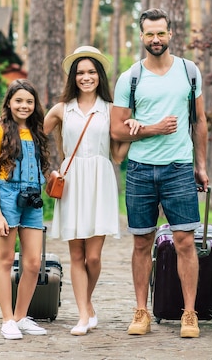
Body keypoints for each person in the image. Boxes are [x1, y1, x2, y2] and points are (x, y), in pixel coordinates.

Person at [110, 8, 209, 338]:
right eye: (149, 34)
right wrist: (153, 129)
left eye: (161, 33)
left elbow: (200, 122)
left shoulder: (189, 71)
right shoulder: (130, 78)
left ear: (170, 34)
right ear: (141, 37)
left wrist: (202, 166)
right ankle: (141, 311)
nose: (156, 39)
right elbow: (116, 131)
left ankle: (190, 314)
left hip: (179, 168)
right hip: (139, 170)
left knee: (184, 242)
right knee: (142, 243)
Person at [44, 46, 139, 336]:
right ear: (74, 77)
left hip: (100, 180)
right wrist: (1, 123)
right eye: (81, 72)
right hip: (72, 180)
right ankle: (84, 314)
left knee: (94, 257)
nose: (86, 77)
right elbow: (31, 134)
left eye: (91, 72)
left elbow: (118, 156)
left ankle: (86, 304)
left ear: (99, 76)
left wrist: (133, 130)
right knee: (76, 255)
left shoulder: (111, 109)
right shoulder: (62, 109)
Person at [0, 79, 50, 340]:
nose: (24, 105)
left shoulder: (38, 131)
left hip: (32, 198)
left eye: (29, 101)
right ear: (9, 103)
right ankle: (7, 319)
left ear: (35, 105)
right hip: (7, 197)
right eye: (19, 100)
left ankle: (21, 317)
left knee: (33, 262)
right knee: (5, 259)